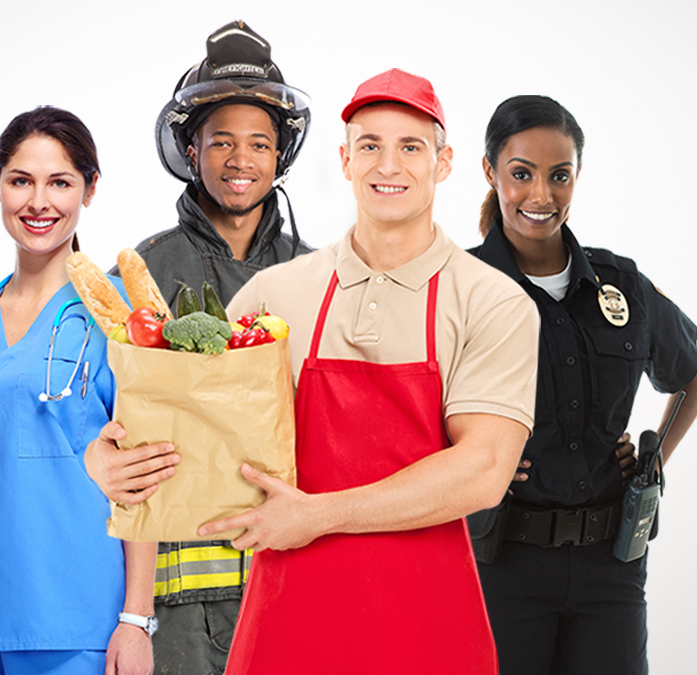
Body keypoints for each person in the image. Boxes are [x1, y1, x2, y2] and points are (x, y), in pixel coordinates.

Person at [198, 69, 539, 673]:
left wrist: (319, 515)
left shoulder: (491, 299)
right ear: (345, 160)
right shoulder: (274, 293)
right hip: (288, 625)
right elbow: (198, 426)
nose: (389, 165)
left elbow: (483, 470)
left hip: (428, 630)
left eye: (410, 147)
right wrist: (113, 460)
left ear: (444, 162)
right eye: (370, 146)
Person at [0, 106, 156, 675]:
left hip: (82, 622)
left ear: (89, 190)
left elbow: (146, 476)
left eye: (60, 182)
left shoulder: (122, 317)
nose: (38, 202)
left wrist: (136, 620)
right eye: (21, 181)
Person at [466, 95, 697, 675]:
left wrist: (653, 460)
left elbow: (692, 376)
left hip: (612, 565)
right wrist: (479, 460)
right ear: (490, 172)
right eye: (521, 174)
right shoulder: (460, 288)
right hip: (503, 565)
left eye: (560, 176)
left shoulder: (621, 284)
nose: (541, 196)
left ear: (577, 176)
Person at [103, 21, 312, 675]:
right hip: (183, 602)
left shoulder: (320, 276)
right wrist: (134, 619)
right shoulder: (144, 273)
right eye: (220, 140)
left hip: (293, 584)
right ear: (191, 150)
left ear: (280, 155)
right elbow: (119, 444)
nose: (239, 159)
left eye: (258, 142)